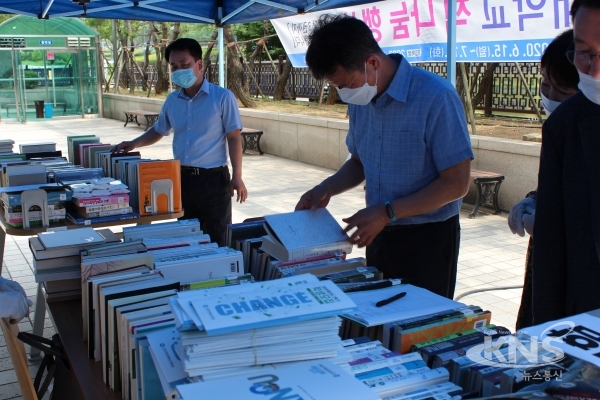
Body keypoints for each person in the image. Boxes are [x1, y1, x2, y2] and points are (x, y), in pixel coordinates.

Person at [295, 15, 473, 299]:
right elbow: (359, 163)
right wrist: (324, 189)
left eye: (346, 84)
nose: (343, 93)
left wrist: (388, 212)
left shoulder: (436, 97)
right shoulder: (361, 99)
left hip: (427, 237)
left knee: (420, 326)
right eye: (336, 87)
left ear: (373, 63)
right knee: (378, 322)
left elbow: (456, 184)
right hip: (377, 231)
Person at [112, 38, 247, 247]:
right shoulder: (172, 101)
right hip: (181, 179)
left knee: (217, 238)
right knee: (187, 236)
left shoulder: (222, 98)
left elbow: (234, 137)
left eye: (185, 65)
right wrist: (133, 144)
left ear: (199, 64)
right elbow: (159, 130)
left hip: (214, 180)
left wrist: (237, 176)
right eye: (174, 66)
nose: (179, 70)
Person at [531, 0, 600, 324]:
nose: (594, 70)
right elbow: (550, 252)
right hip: (584, 322)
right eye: (584, 52)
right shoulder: (565, 127)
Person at [507, 29, 579, 330]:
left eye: (561, 92)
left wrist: (551, 229)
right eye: (545, 85)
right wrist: (535, 199)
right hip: (546, 275)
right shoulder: (561, 131)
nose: (548, 98)